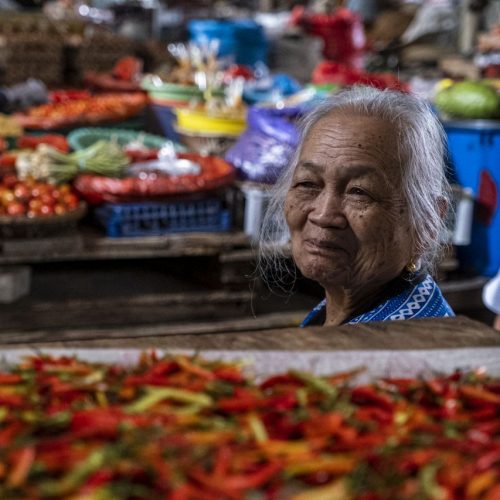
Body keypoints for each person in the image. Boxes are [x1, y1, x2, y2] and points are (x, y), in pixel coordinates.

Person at [259, 85, 455, 326]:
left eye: (359, 192)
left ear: (427, 223)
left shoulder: (400, 353)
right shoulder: (342, 323)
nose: (323, 215)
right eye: (307, 184)